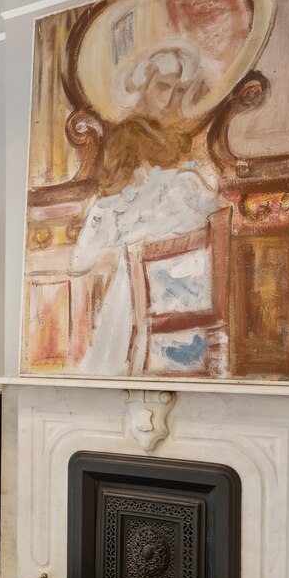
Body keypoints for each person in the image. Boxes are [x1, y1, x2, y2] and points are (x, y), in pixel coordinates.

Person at [69, 42, 225, 374]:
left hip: (145, 315)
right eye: (163, 87)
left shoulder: (114, 205)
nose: (169, 100)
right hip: (197, 304)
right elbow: (217, 214)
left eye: (177, 90)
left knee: (126, 279)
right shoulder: (188, 181)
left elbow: (80, 262)